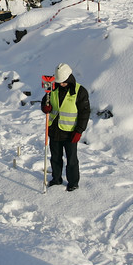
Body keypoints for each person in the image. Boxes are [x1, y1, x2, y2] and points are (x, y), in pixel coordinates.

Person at [40, 63, 90, 191]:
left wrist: (79, 131)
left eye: (63, 82)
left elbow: (85, 113)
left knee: (71, 160)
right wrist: (45, 107)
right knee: (55, 157)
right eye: (59, 81)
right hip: (54, 130)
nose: (60, 84)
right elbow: (45, 102)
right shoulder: (52, 88)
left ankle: (73, 182)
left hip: (70, 133)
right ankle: (56, 178)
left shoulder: (80, 91)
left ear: (69, 78)